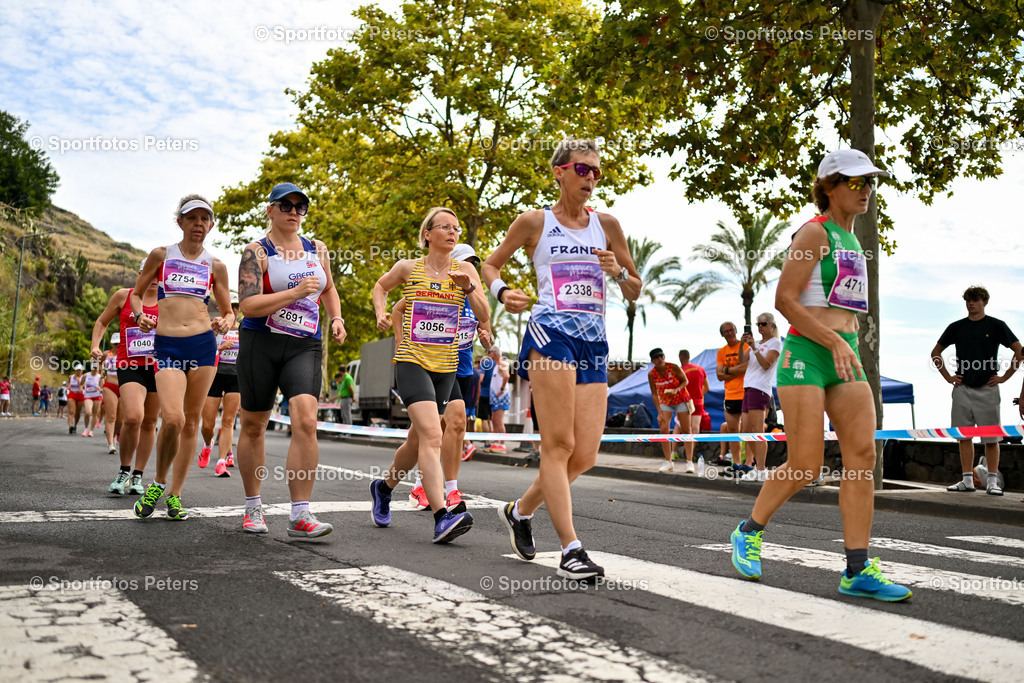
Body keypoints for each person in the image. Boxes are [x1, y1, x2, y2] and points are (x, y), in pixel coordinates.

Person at [729, 149, 912, 601]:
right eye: (855, 182)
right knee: (807, 463)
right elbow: (787, 300)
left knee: (862, 457)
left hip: (845, 353)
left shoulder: (855, 243)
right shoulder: (814, 231)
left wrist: (843, 341)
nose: (866, 189)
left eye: (870, 182)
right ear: (829, 187)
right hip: (807, 354)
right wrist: (829, 340)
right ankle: (748, 532)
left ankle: (856, 569)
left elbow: (845, 309)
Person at [484, 137, 640, 579]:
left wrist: (619, 272)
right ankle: (571, 548)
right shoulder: (535, 222)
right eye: (583, 169)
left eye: (597, 171)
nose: (592, 177)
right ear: (560, 171)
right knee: (559, 445)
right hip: (549, 333)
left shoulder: (607, 225)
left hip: (594, 341)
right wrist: (502, 293)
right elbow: (490, 265)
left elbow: (635, 287)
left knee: (585, 455)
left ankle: (520, 511)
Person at [369, 207, 489, 544]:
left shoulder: (465, 269)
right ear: (428, 234)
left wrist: (469, 290)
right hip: (411, 361)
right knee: (433, 434)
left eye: (457, 228)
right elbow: (381, 287)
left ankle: (384, 487)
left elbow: (483, 315)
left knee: (418, 439)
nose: (453, 232)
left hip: (446, 366)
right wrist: (381, 313)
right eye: (445, 227)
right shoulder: (409, 268)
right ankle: (441, 516)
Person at [235, 183, 346, 538]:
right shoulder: (257, 252)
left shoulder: (317, 249)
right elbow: (248, 306)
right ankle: (253, 506)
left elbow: (327, 289)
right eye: (286, 205)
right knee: (254, 425)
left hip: (304, 344)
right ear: (270, 210)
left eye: (301, 207)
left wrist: (338, 318)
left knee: (306, 421)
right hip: (261, 342)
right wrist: (294, 293)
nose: (294, 212)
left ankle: (300, 513)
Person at [131, 195, 233, 521]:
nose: (199, 224)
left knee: (191, 423)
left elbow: (229, 312)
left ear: (211, 225)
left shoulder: (216, 265)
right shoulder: (162, 255)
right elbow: (135, 294)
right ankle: (158, 482)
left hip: (203, 346)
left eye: (205, 219)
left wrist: (224, 322)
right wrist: (138, 316)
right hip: (168, 345)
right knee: (172, 418)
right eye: (192, 218)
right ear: (180, 222)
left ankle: (174, 493)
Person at [386, 242, 494, 512]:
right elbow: (399, 309)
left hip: (462, 367)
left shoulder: (473, 296)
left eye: (474, 263)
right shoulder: (435, 287)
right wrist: (401, 342)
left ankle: (446, 488)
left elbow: (487, 330)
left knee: (449, 428)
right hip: (430, 363)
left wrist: (486, 337)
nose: (471, 267)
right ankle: (426, 488)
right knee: (435, 430)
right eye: (465, 261)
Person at [930, 286, 1022, 495]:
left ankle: (992, 481)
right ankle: (967, 480)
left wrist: (1005, 377)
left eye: (975, 300)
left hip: (988, 389)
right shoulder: (956, 327)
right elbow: (936, 352)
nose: (971, 303)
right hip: (962, 389)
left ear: (984, 302)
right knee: (964, 436)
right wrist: (948, 377)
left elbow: (1019, 350)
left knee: (991, 438)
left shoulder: (997, 325)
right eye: (968, 300)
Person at [92, 259, 161, 496]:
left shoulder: (169, 301)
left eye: (158, 273)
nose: (153, 278)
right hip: (129, 364)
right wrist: (95, 346)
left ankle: (138, 476)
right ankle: (124, 471)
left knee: (150, 422)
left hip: (160, 367)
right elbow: (102, 321)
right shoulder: (124, 296)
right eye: (148, 272)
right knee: (133, 417)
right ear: (140, 273)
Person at [738, 313, 783, 482]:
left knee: (757, 430)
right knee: (746, 430)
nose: (760, 327)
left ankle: (761, 468)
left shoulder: (776, 343)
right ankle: (759, 467)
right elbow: (740, 361)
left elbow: (766, 365)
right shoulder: (755, 344)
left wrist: (755, 349)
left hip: (760, 388)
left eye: (763, 324)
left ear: (772, 325)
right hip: (749, 387)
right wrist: (742, 344)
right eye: (758, 324)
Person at [199, 300, 242, 477]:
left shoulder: (243, 329)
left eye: (236, 307)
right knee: (207, 425)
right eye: (230, 306)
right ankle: (208, 445)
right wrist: (221, 347)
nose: (233, 309)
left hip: (235, 377)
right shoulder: (214, 327)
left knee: (228, 421)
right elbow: (202, 351)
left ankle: (221, 462)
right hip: (214, 375)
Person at [647, 347, 691, 472]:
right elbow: (654, 394)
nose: (660, 359)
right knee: (663, 428)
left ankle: (689, 462)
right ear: (653, 361)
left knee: (687, 429)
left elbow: (685, 381)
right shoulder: (651, 374)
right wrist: (659, 412)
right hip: (665, 401)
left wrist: (676, 390)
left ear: (664, 357)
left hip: (681, 399)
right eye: (656, 357)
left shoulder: (674, 367)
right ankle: (668, 461)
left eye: (661, 356)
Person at [716, 322, 748, 467]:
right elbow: (719, 375)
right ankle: (736, 463)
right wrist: (737, 370)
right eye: (726, 331)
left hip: (746, 392)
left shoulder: (745, 346)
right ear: (722, 335)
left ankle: (749, 463)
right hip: (730, 396)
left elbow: (746, 368)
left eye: (731, 330)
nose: (729, 333)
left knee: (748, 431)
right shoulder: (721, 352)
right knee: (733, 431)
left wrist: (728, 370)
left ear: (736, 330)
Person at [679, 349, 710, 466]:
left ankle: (684, 454)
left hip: (685, 402)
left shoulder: (681, 371)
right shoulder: (700, 369)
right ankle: (691, 454)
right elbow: (707, 387)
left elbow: (679, 389)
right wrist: (699, 394)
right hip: (698, 401)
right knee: (695, 428)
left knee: (684, 429)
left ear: (680, 358)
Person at [487, 347, 511, 453]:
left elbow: (506, 376)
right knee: (494, 420)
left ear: (495, 353)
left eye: (490, 352)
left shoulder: (502, 363)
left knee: (499, 421)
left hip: (501, 397)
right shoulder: (496, 365)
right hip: (495, 397)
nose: (488, 354)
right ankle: (496, 442)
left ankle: (502, 444)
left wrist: (501, 389)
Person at [81, 364, 103, 437]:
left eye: (96, 368)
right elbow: (81, 383)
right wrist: (82, 387)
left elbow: (102, 387)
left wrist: (100, 389)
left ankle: (91, 430)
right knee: (88, 412)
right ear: (91, 368)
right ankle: (86, 428)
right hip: (88, 395)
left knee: (95, 413)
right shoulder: (86, 375)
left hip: (97, 395)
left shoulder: (100, 377)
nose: (95, 370)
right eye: (94, 368)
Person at [66, 363, 86, 433]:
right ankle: (70, 426)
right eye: (77, 370)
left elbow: (84, 385)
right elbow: (69, 384)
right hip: (72, 394)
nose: (78, 372)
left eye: (79, 370)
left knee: (78, 412)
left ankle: (75, 425)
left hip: (80, 395)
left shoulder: (84, 377)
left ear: (82, 371)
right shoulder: (71, 377)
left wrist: (79, 382)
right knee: (71, 411)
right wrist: (67, 388)